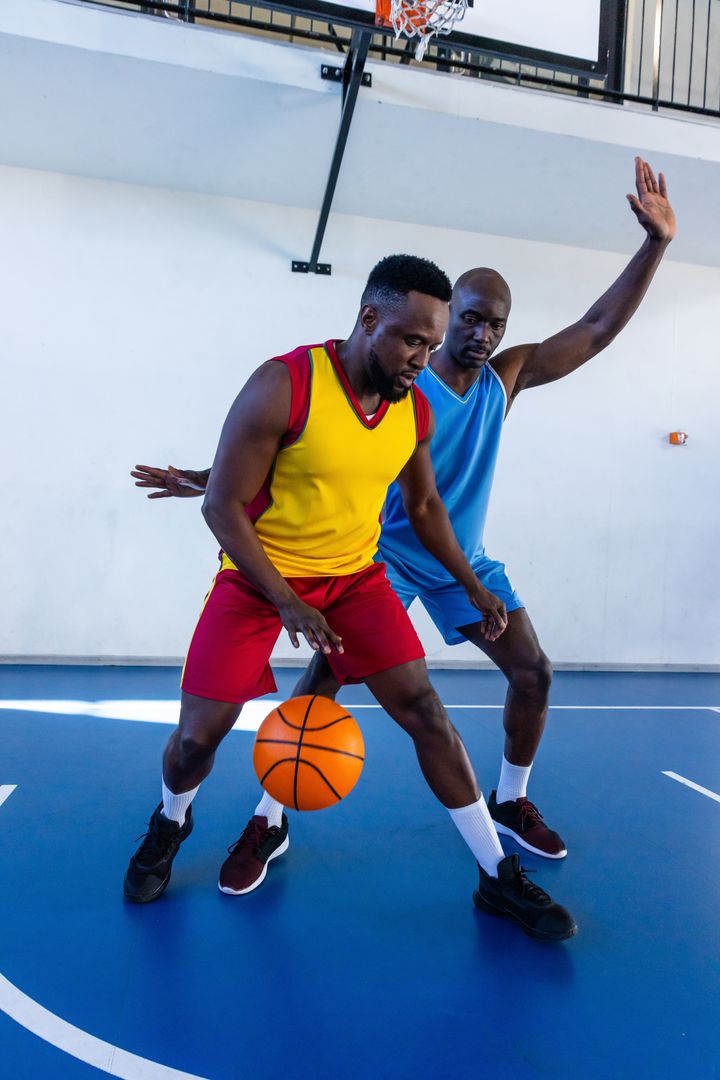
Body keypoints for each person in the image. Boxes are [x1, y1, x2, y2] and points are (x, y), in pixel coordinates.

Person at [136, 158, 676, 865]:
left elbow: (598, 327)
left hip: (456, 555)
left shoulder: (498, 381)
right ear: (439, 321)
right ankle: (268, 819)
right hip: (375, 555)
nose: (481, 335)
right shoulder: (381, 385)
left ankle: (507, 803)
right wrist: (214, 478)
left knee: (533, 672)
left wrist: (655, 244)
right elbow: (313, 449)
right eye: (470, 321)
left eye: (494, 324)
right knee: (320, 687)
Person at [125, 253, 577, 942]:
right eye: (412, 340)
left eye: (431, 344)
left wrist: (472, 583)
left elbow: (425, 509)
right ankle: (170, 822)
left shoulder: (410, 406)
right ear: (369, 318)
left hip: (355, 579)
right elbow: (223, 506)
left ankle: (495, 876)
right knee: (194, 740)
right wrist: (284, 600)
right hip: (256, 581)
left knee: (426, 711)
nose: (422, 358)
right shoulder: (285, 382)